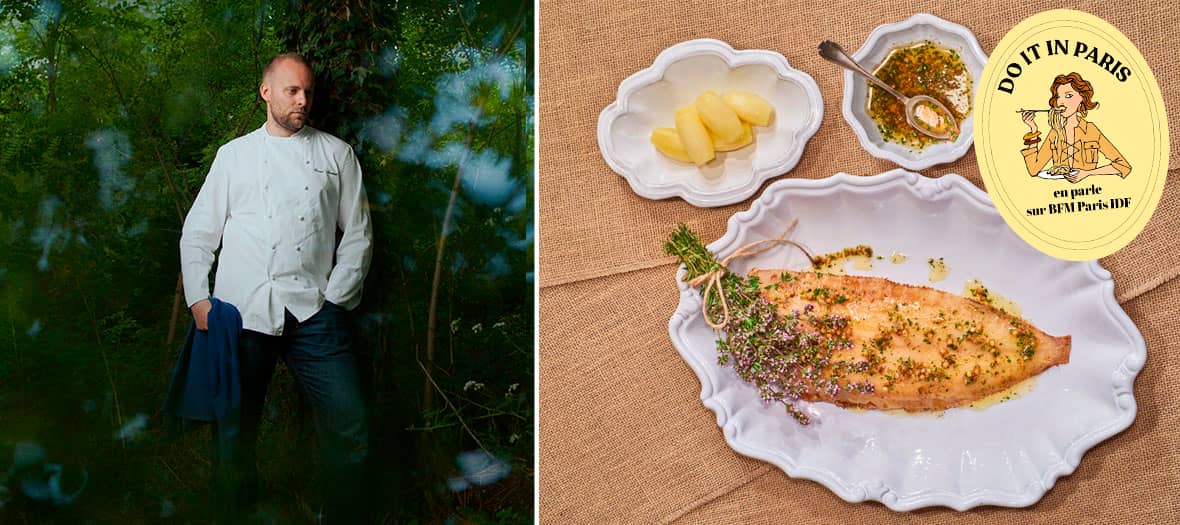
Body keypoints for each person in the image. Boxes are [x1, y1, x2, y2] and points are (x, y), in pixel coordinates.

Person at [179, 52, 373, 522]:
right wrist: (199, 300)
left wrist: (336, 299)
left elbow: (359, 234)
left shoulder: (336, 153)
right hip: (242, 313)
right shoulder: (234, 156)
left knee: (350, 423)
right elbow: (199, 232)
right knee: (234, 432)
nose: (302, 100)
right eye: (292, 91)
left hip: (314, 314)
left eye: (307, 91)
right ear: (266, 92)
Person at [1020, 72, 1131, 183]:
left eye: (1069, 95)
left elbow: (1123, 166)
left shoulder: (1090, 130)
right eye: (1058, 97)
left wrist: (1087, 173)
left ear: (1082, 98)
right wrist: (1033, 129)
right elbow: (1033, 170)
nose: (1061, 102)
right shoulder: (1055, 131)